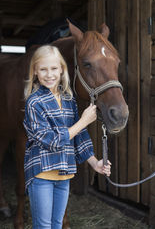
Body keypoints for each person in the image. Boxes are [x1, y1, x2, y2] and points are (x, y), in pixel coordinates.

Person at [23, 45, 111, 229]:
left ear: (62, 69)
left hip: (64, 173)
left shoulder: (68, 99)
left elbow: (80, 136)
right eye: (43, 69)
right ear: (35, 72)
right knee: (43, 226)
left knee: (57, 225)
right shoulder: (34, 102)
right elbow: (51, 140)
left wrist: (95, 162)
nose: (49, 74)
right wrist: (83, 121)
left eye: (54, 68)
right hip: (42, 174)